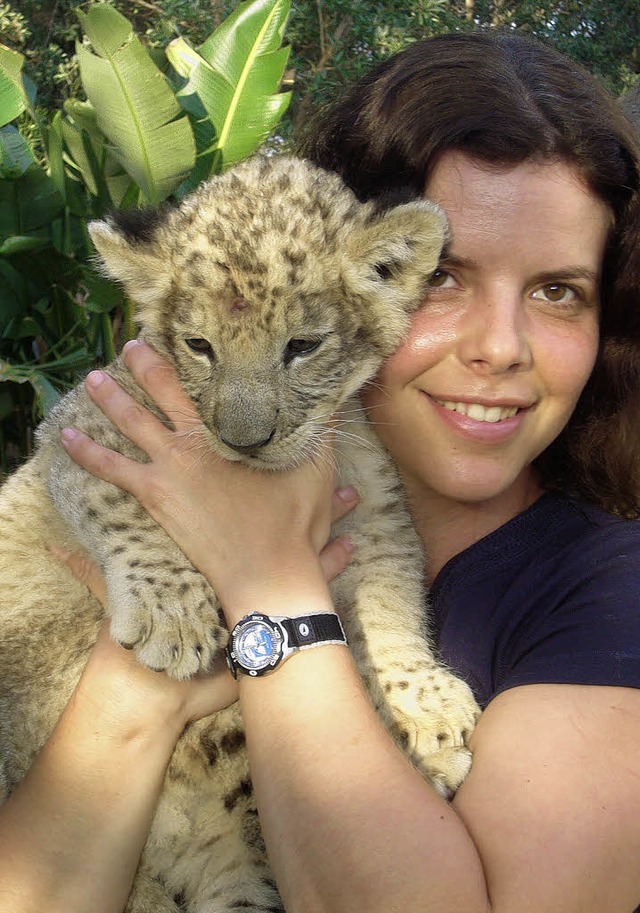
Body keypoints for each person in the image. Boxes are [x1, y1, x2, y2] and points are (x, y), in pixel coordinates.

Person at [1, 28, 640, 913]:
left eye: (558, 290)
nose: (500, 349)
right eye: (447, 278)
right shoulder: (178, 426)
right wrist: (130, 693)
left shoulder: (606, 593)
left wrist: (272, 597)